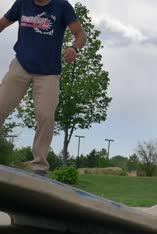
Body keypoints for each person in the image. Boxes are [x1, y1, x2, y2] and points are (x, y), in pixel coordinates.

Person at [0, 0, 86, 176]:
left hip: (48, 72)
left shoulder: (62, 6)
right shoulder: (22, 3)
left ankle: (39, 166)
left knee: (46, 116)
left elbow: (80, 34)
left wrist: (74, 48)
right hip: (21, 65)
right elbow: (2, 23)